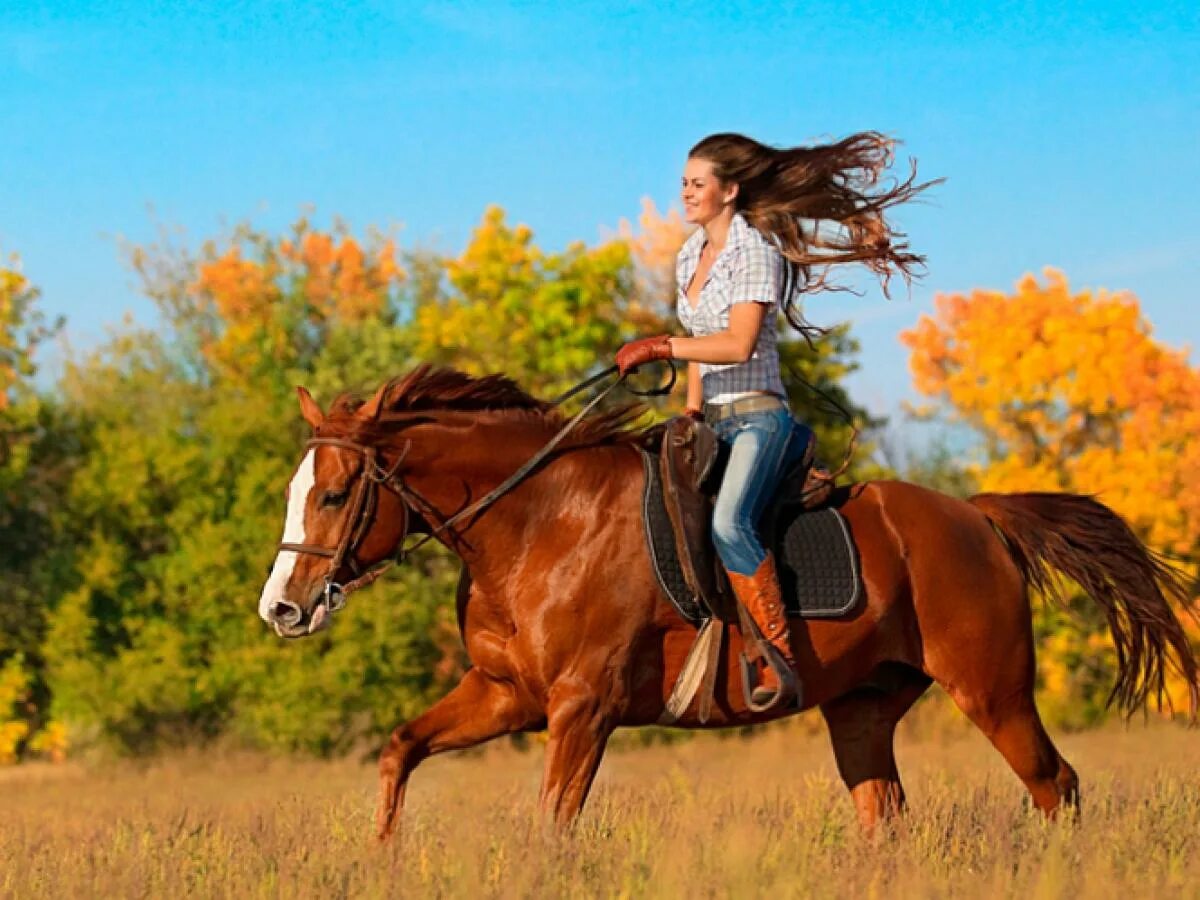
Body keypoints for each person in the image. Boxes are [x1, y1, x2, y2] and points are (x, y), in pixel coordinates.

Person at [616, 132, 933, 709]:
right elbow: (697, 344)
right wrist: (688, 413)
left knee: (731, 524)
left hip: (759, 419)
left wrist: (662, 347)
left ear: (730, 190)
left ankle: (775, 658)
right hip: (710, 420)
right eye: (683, 183)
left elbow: (735, 344)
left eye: (698, 184)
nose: (686, 193)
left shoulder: (756, 252)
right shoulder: (690, 255)